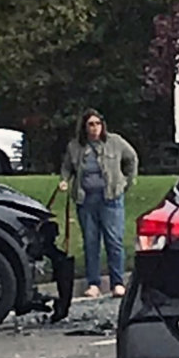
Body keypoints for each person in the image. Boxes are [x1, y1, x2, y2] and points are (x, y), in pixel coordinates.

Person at [57, 110, 140, 298]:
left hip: (110, 198)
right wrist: (64, 180)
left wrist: (128, 180)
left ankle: (117, 282)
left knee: (114, 240)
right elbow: (67, 167)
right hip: (85, 200)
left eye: (97, 124)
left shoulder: (115, 142)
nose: (94, 128)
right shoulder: (75, 146)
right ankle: (93, 283)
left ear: (102, 125)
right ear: (84, 127)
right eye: (90, 124)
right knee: (91, 242)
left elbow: (131, 158)